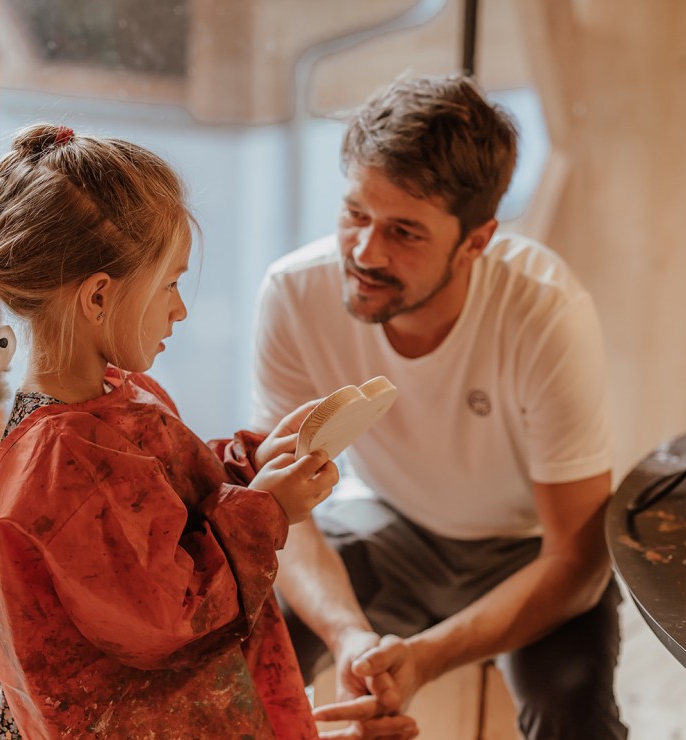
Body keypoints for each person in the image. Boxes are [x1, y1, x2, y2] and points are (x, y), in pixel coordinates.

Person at [0, 124, 367, 739]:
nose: (180, 309)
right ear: (99, 297)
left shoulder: (119, 396)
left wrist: (250, 463)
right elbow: (171, 617)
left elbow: (171, 508)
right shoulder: (61, 463)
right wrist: (266, 511)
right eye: (171, 284)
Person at [251, 74, 627, 739]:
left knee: (575, 714)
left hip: (527, 549)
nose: (365, 252)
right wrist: (350, 640)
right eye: (355, 215)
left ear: (476, 242)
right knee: (247, 636)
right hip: (393, 522)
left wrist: (426, 657)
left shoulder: (545, 313)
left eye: (404, 232)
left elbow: (578, 556)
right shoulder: (292, 295)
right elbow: (281, 516)